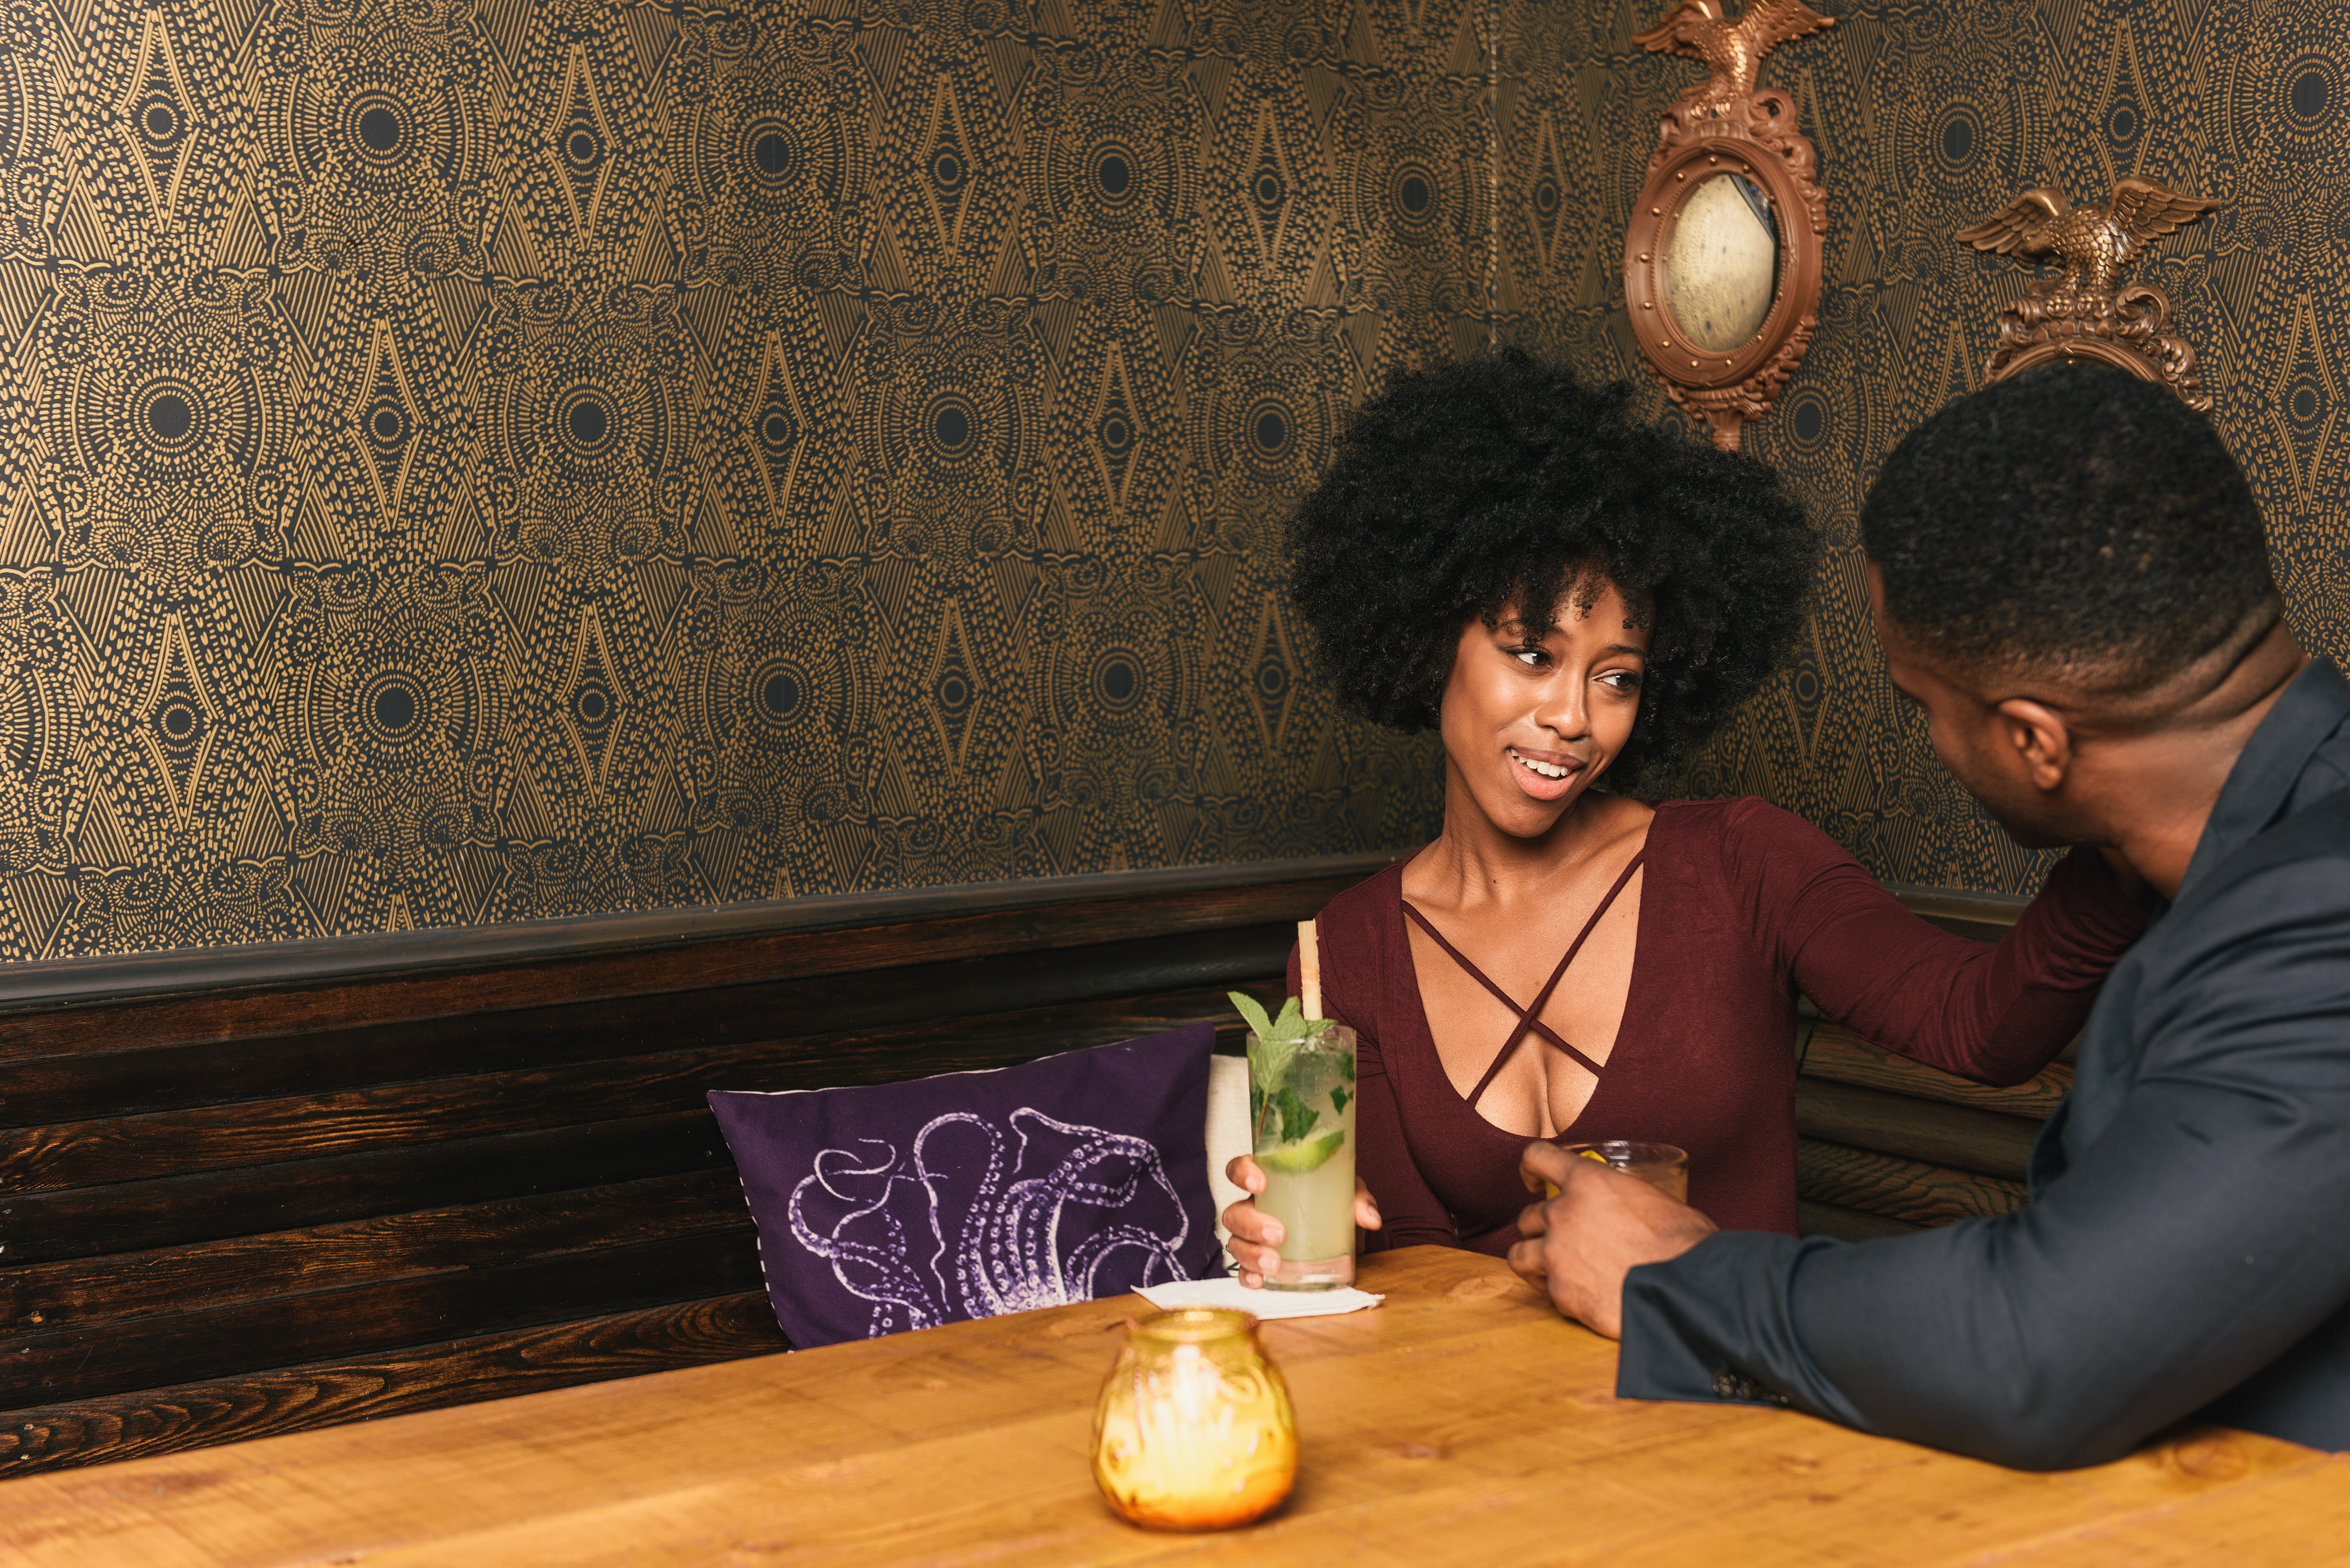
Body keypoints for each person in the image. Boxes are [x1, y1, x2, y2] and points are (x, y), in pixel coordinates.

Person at [1512, 361, 2350, 1466]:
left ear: (2036, 742)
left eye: (1924, 707)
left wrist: (1678, 1273)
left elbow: (2039, 1344)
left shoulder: (2317, 913)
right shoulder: (2260, 842)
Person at [1220, 351, 2148, 1285]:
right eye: (1532, 655)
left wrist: (2129, 818)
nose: (1574, 717)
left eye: (1616, 675)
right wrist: (1329, 1236)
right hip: (1496, 1421)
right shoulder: (1339, 954)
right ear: (1431, 646)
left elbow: (1980, 1027)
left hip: (1731, 1399)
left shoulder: (1741, 864)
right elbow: (1416, 1276)